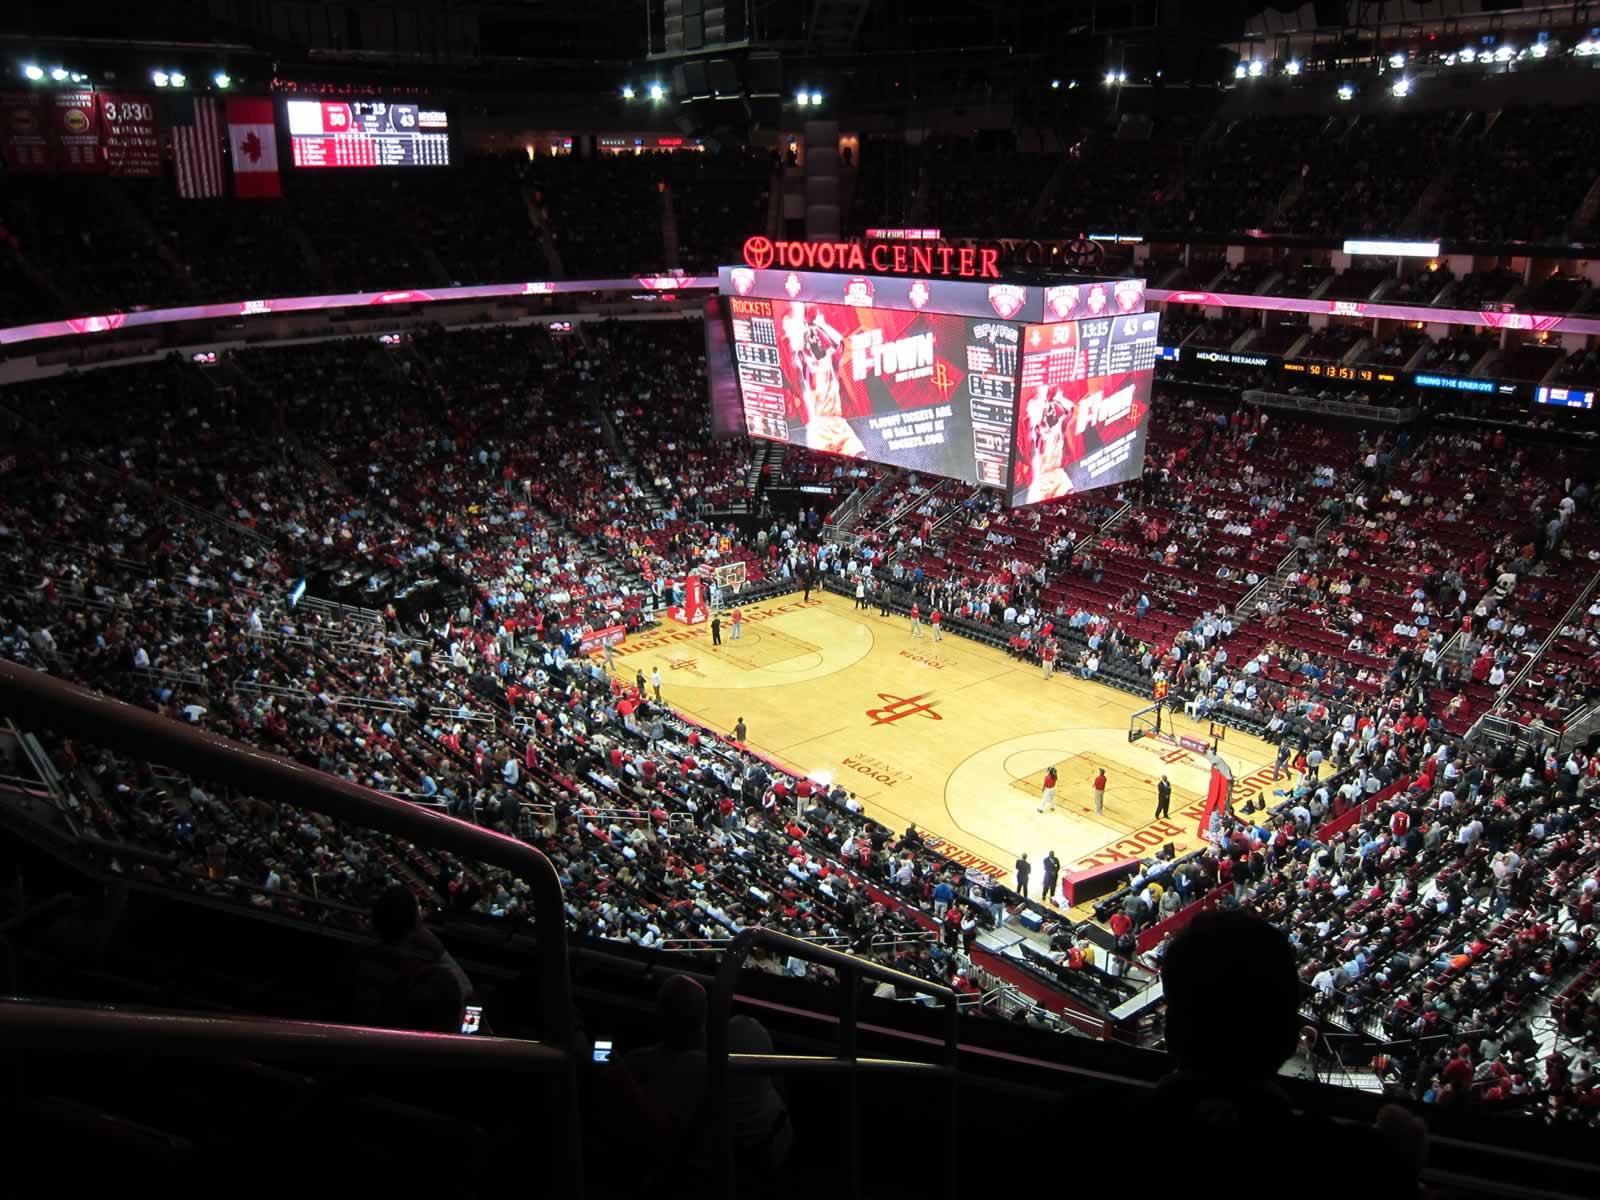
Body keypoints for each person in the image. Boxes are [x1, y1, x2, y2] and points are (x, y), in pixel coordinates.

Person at [1152, 912, 1422, 1199]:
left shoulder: (1117, 1118)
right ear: (1289, 1035)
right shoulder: (1357, 1164)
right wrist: (1399, 1153)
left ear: (1170, 1031)